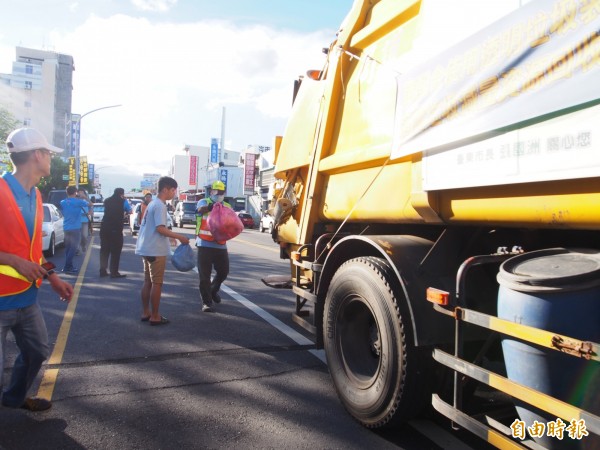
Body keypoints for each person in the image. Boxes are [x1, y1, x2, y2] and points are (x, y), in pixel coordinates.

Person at [0, 127, 74, 412]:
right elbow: (19, 257)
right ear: (36, 155)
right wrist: (15, 262)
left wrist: (52, 277)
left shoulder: (37, 196)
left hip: (27, 299)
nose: (51, 160)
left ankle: (14, 398)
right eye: (48, 154)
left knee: (37, 353)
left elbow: (31, 249)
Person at [135, 177, 189, 325]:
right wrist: (180, 237)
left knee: (147, 282)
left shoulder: (152, 204)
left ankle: (146, 312)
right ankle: (155, 315)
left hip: (145, 248)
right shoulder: (160, 206)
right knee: (156, 283)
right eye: (173, 190)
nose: (174, 193)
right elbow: (160, 228)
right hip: (155, 250)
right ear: (165, 189)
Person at [195, 180, 232, 313]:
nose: (219, 194)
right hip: (204, 243)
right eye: (216, 192)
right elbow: (199, 211)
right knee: (204, 275)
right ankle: (206, 302)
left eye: (221, 192)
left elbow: (231, 221)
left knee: (223, 272)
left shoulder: (227, 205)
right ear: (211, 192)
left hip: (220, 244)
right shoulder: (204, 202)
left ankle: (212, 290)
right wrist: (212, 207)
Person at [99, 187, 131, 278]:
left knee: (104, 250)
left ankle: (102, 270)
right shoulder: (123, 201)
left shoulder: (107, 200)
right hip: (116, 229)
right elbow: (129, 210)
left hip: (105, 228)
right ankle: (114, 272)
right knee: (116, 251)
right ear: (122, 194)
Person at [60, 186, 91, 274]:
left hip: (66, 228)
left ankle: (70, 266)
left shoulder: (62, 202)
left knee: (68, 248)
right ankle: (66, 266)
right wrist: (84, 197)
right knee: (73, 248)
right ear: (75, 192)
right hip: (75, 228)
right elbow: (91, 204)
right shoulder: (79, 202)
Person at [77, 188, 92, 255]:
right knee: (78, 236)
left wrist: (90, 212)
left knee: (84, 236)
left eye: (82, 192)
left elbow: (91, 206)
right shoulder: (76, 200)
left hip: (84, 220)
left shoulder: (86, 200)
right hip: (77, 220)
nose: (80, 193)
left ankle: (83, 245)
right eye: (79, 192)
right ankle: (78, 249)